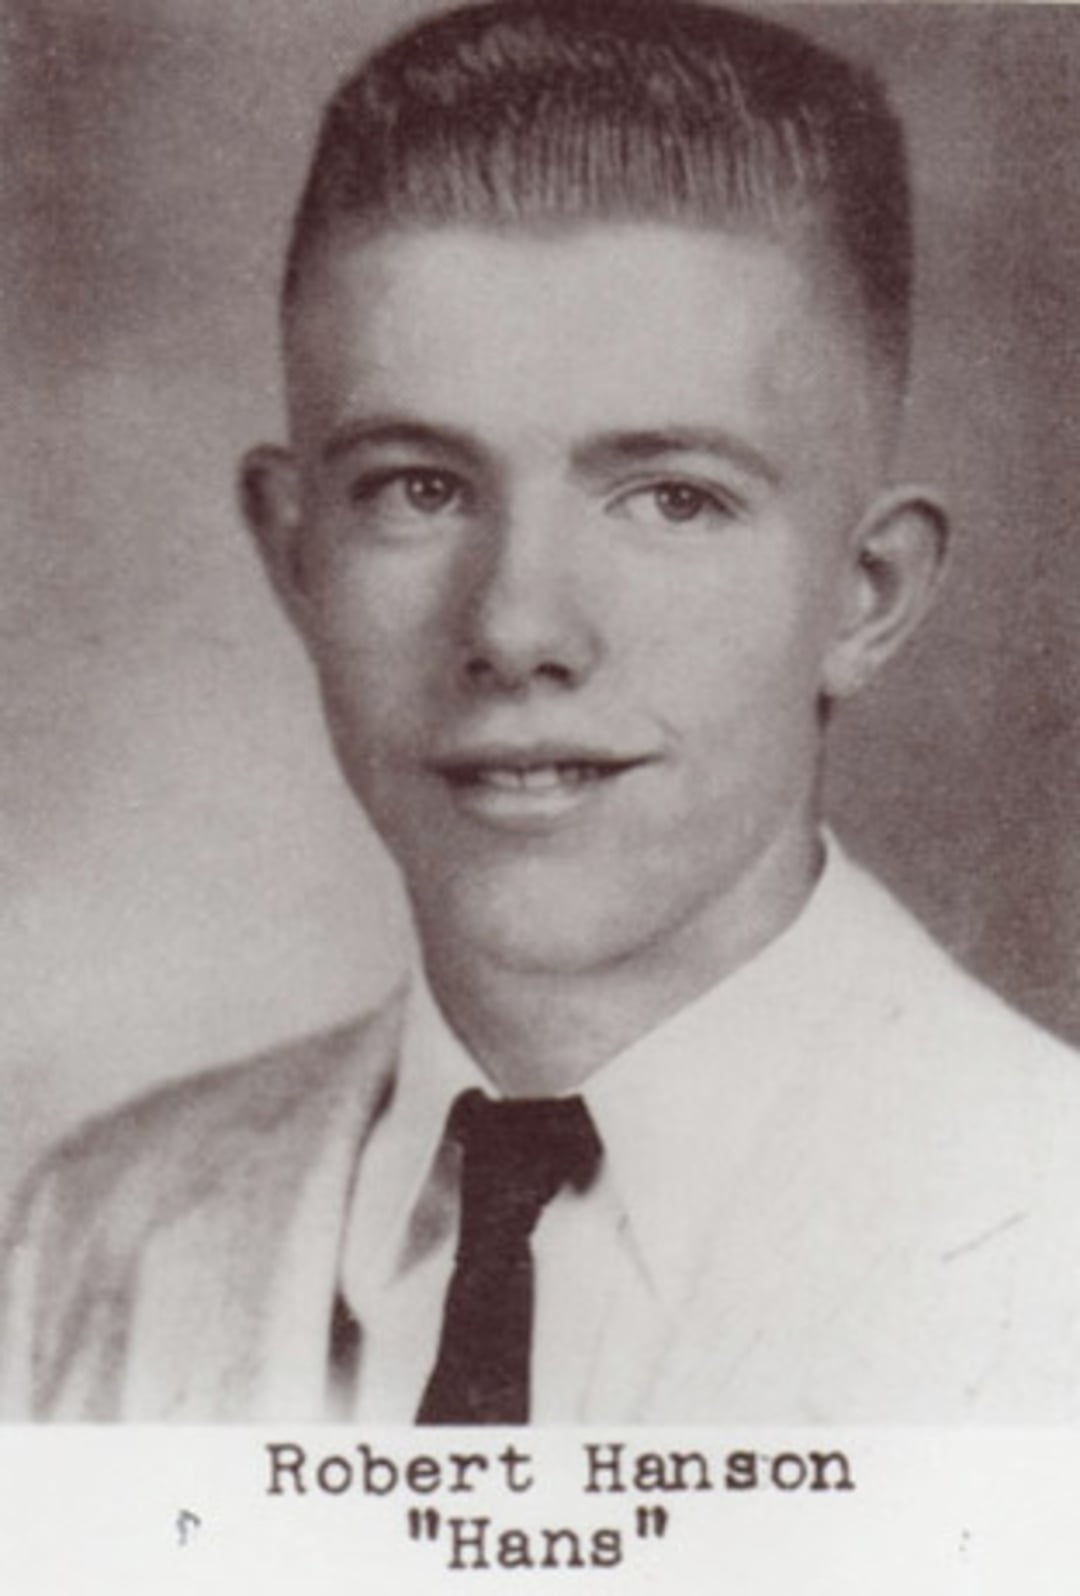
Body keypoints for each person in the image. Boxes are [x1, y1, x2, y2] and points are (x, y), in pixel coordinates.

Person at [3, 0, 1078, 1425]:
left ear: (865, 593)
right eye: (416, 488)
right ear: (292, 552)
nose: (516, 627)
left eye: (670, 499)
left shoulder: (1039, 1230)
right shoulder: (90, 1238)